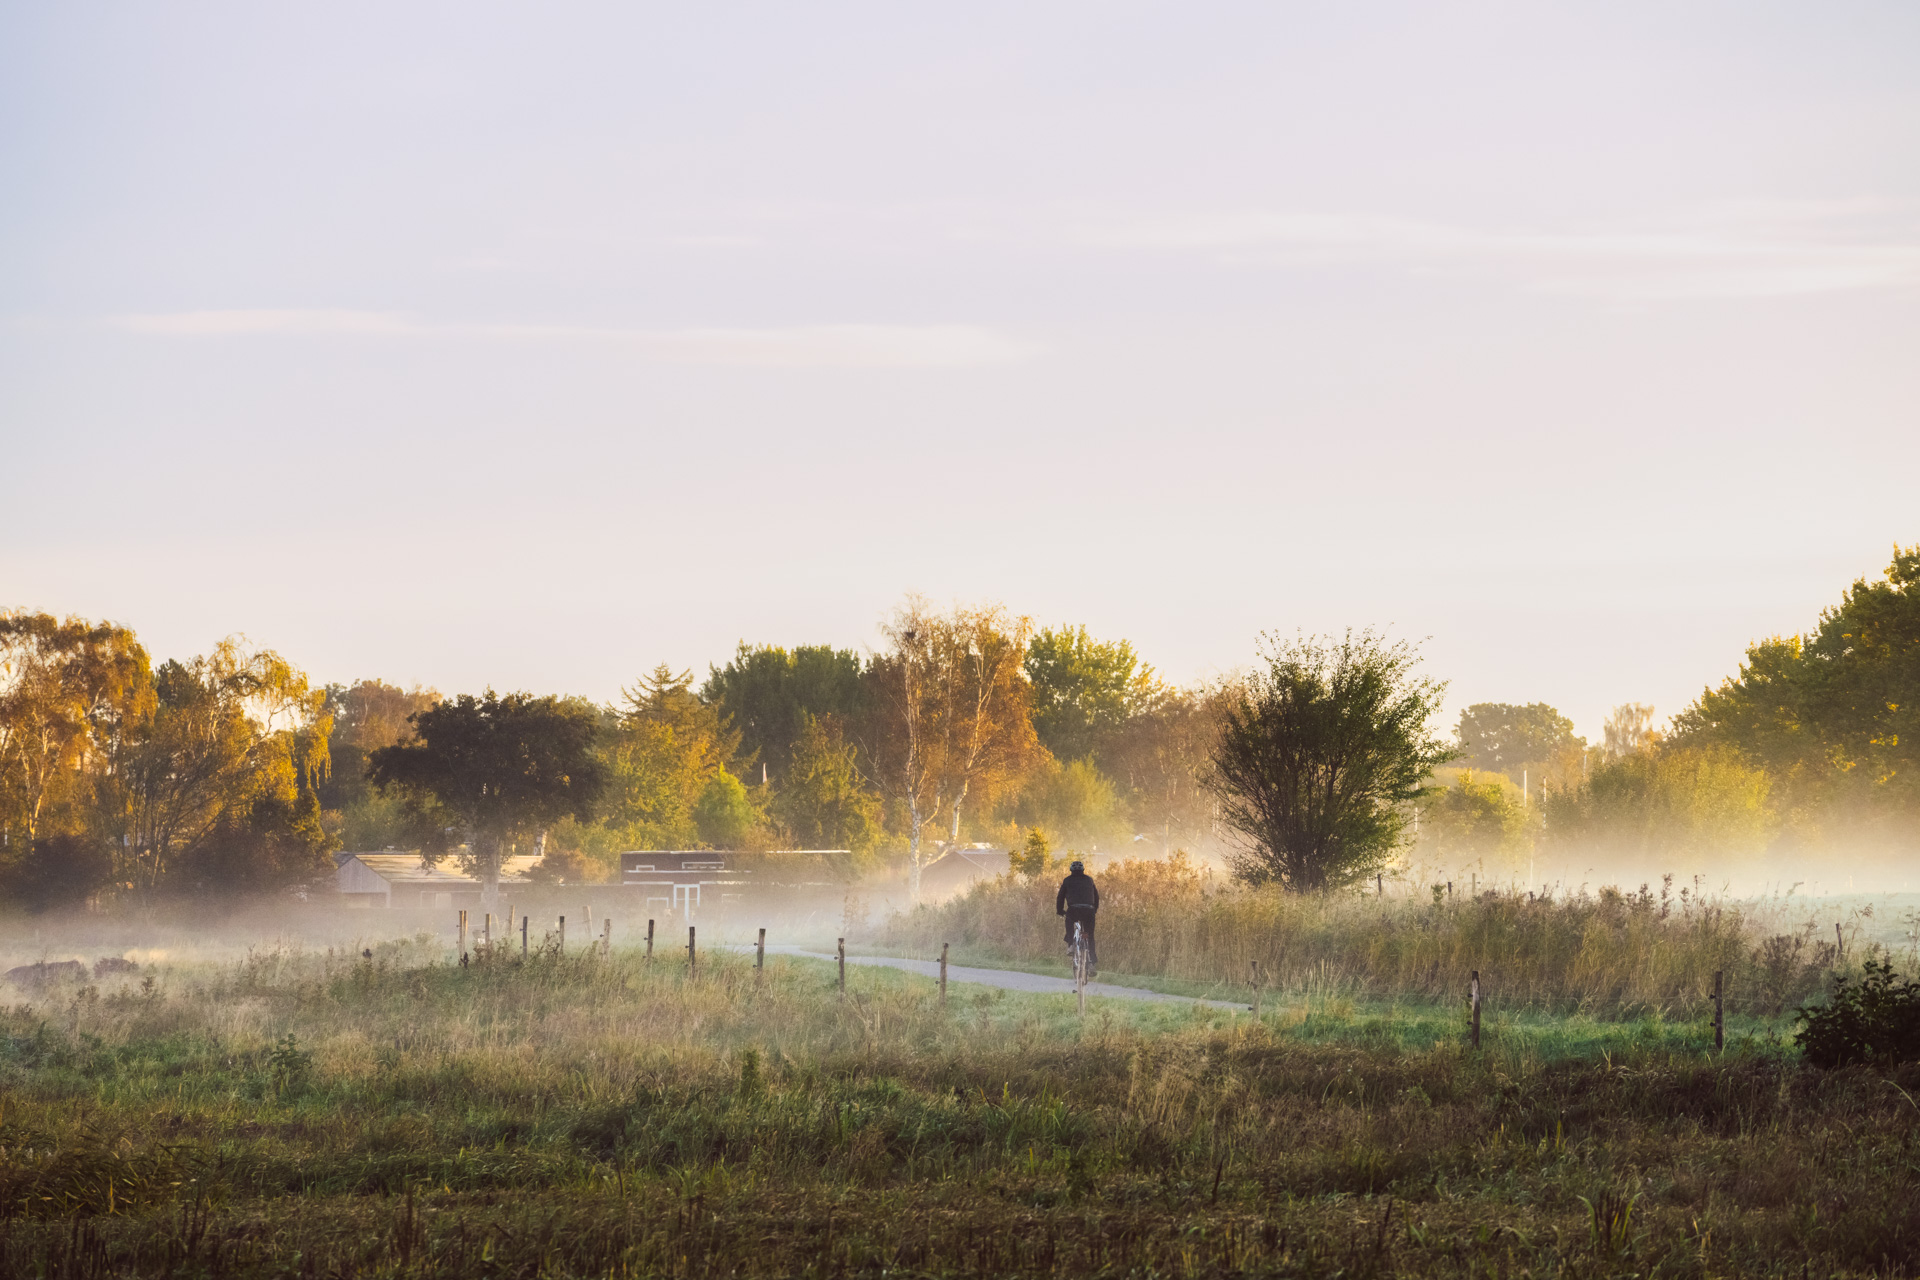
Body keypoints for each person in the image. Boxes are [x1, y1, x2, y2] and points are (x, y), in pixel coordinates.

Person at [1055, 859, 1099, 976]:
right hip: (1089, 910)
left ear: (1071, 871)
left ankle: (1070, 945)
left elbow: (1060, 898)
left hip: (1074, 910)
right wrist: (1094, 910)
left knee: (1069, 923)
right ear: (1083, 870)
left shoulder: (1067, 880)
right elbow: (1096, 896)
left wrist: (1060, 911)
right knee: (1089, 936)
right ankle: (1091, 962)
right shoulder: (1089, 880)